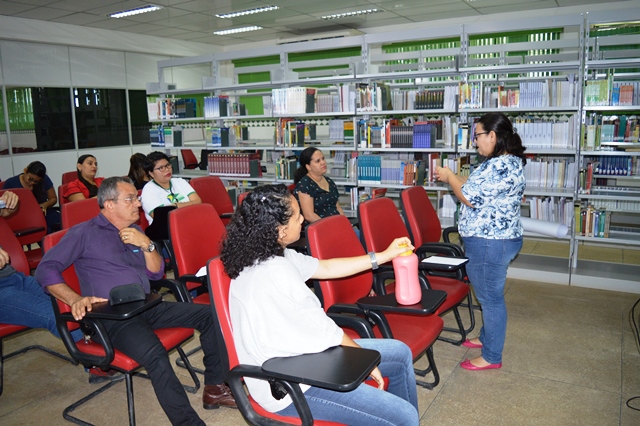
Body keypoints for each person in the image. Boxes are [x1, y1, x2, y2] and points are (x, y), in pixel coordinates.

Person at [36, 176, 236, 425]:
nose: (138, 204)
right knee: (155, 355)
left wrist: (148, 246)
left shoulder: (136, 230)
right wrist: (75, 298)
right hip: (111, 318)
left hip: (146, 305)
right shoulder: (84, 233)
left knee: (210, 316)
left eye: (137, 198)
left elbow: (155, 273)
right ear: (109, 204)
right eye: (130, 199)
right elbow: (45, 270)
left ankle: (215, 387)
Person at [220, 184, 419, 425]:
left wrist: (384, 255)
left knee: (400, 354)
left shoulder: (268, 253)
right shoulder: (274, 272)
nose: (303, 218)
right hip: (289, 386)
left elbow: (325, 267)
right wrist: (362, 361)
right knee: (404, 416)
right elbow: (327, 332)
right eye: (296, 216)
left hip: (305, 358)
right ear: (279, 230)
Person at [435, 112, 526, 371]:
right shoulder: (505, 161)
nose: (475, 142)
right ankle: (487, 339)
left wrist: (451, 176)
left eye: (477, 136)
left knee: (490, 299)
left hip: (490, 242)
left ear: (493, 136)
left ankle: (491, 356)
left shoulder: (498, 165)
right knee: (490, 294)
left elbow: (469, 197)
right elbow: (475, 186)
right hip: (499, 239)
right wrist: (455, 179)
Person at [0, 190, 83, 342]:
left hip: (15, 278)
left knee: (75, 303)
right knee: (56, 316)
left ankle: (105, 353)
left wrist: (8, 203)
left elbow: (4, 211)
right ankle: (98, 362)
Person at [141, 151, 201, 225]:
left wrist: (176, 206)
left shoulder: (180, 181)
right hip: (166, 229)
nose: (167, 169)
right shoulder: (148, 190)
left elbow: (198, 201)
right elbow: (160, 216)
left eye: (168, 165)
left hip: (189, 221)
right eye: (161, 168)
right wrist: (189, 204)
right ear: (151, 173)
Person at [3, 161, 60, 233]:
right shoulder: (11, 183)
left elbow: (53, 198)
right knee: (44, 230)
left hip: (43, 213)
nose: (32, 183)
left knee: (63, 222)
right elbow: (3, 206)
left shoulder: (44, 179)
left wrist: (45, 204)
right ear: (25, 171)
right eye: (30, 179)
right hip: (22, 217)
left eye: (36, 182)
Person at [293, 147, 346, 224]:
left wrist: (345, 223)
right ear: (308, 167)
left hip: (336, 224)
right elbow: (309, 215)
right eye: (318, 161)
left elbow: (338, 207)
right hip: (319, 227)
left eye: (323, 159)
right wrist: (330, 227)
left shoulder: (329, 181)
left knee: (356, 233)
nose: (323, 162)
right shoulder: (304, 185)